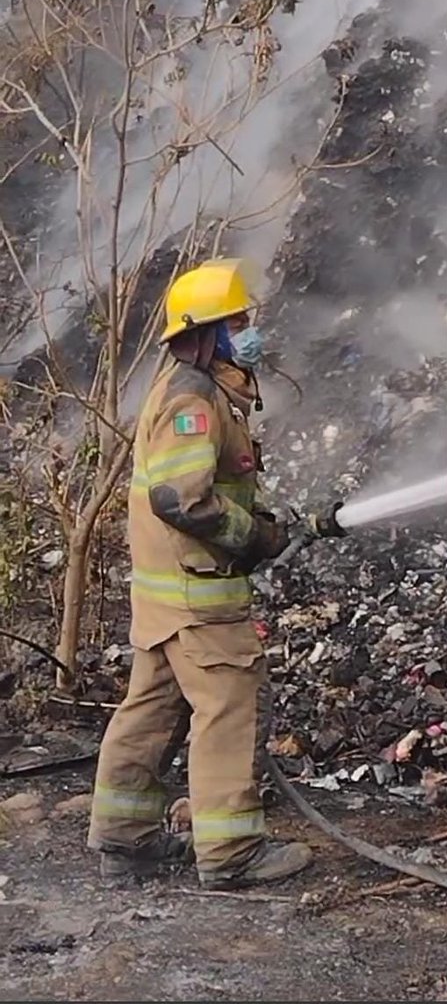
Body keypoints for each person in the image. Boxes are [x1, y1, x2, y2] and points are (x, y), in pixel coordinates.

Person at [87, 257, 313, 889]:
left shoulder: (187, 390)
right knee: (231, 707)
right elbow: (182, 500)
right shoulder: (195, 399)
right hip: (199, 593)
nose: (249, 330)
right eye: (238, 320)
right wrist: (258, 538)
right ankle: (231, 854)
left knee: (152, 709)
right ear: (208, 331)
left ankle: (123, 841)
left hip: (166, 599)